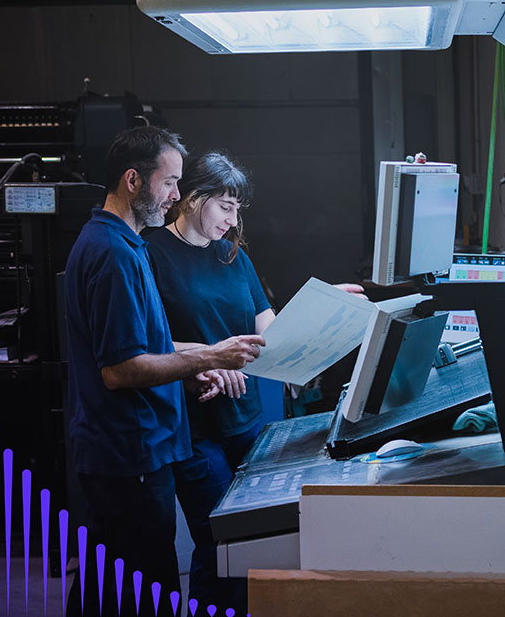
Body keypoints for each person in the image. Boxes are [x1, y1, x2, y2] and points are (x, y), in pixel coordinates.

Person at [145, 151, 365, 614]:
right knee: (218, 544)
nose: (232, 218)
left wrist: (326, 307)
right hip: (192, 427)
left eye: (238, 209)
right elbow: (147, 343)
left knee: (252, 547)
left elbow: (271, 334)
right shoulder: (150, 252)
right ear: (191, 197)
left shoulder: (232, 256)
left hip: (245, 422)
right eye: (225, 205)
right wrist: (207, 356)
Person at [63, 129, 266, 617]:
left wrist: (204, 357)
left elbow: (149, 344)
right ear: (134, 181)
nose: (176, 195)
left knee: (111, 583)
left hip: (139, 446)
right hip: (131, 448)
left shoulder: (121, 245)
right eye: (171, 182)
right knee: (142, 588)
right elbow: (120, 368)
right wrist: (209, 359)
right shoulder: (117, 254)